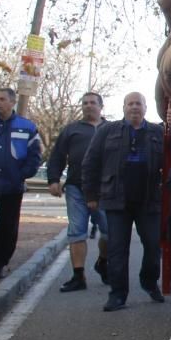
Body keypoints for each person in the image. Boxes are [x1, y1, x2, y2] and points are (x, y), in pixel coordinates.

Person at [81, 92, 165, 311]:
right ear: (124, 107)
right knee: (117, 249)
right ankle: (117, 294)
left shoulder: (158, 132)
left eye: (138, 103)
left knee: (154, 246)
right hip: (116, 200)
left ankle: (149, 281)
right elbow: (91, 163)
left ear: (146, 108)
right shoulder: (107, 131)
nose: (134, 107)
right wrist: (90, 195)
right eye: (130, 103)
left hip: (149, 201)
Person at [49, 92, 109, 293]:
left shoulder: (111, 129)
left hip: (104, 190)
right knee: (77, 232)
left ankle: (103, 262)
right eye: (84, 103)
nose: (88, 106)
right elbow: (57, 156)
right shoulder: (71, 130)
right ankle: (78, 276)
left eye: (92, 103)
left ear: (101, 106)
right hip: (76, 188)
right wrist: (53, 180)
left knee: (110, 232)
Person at [0, 88, 42, 280]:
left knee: (8, 226)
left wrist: (21, 175)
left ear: (12, 102)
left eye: (2, 99)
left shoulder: (27, 127)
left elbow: (34, 156)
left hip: (12, 186)